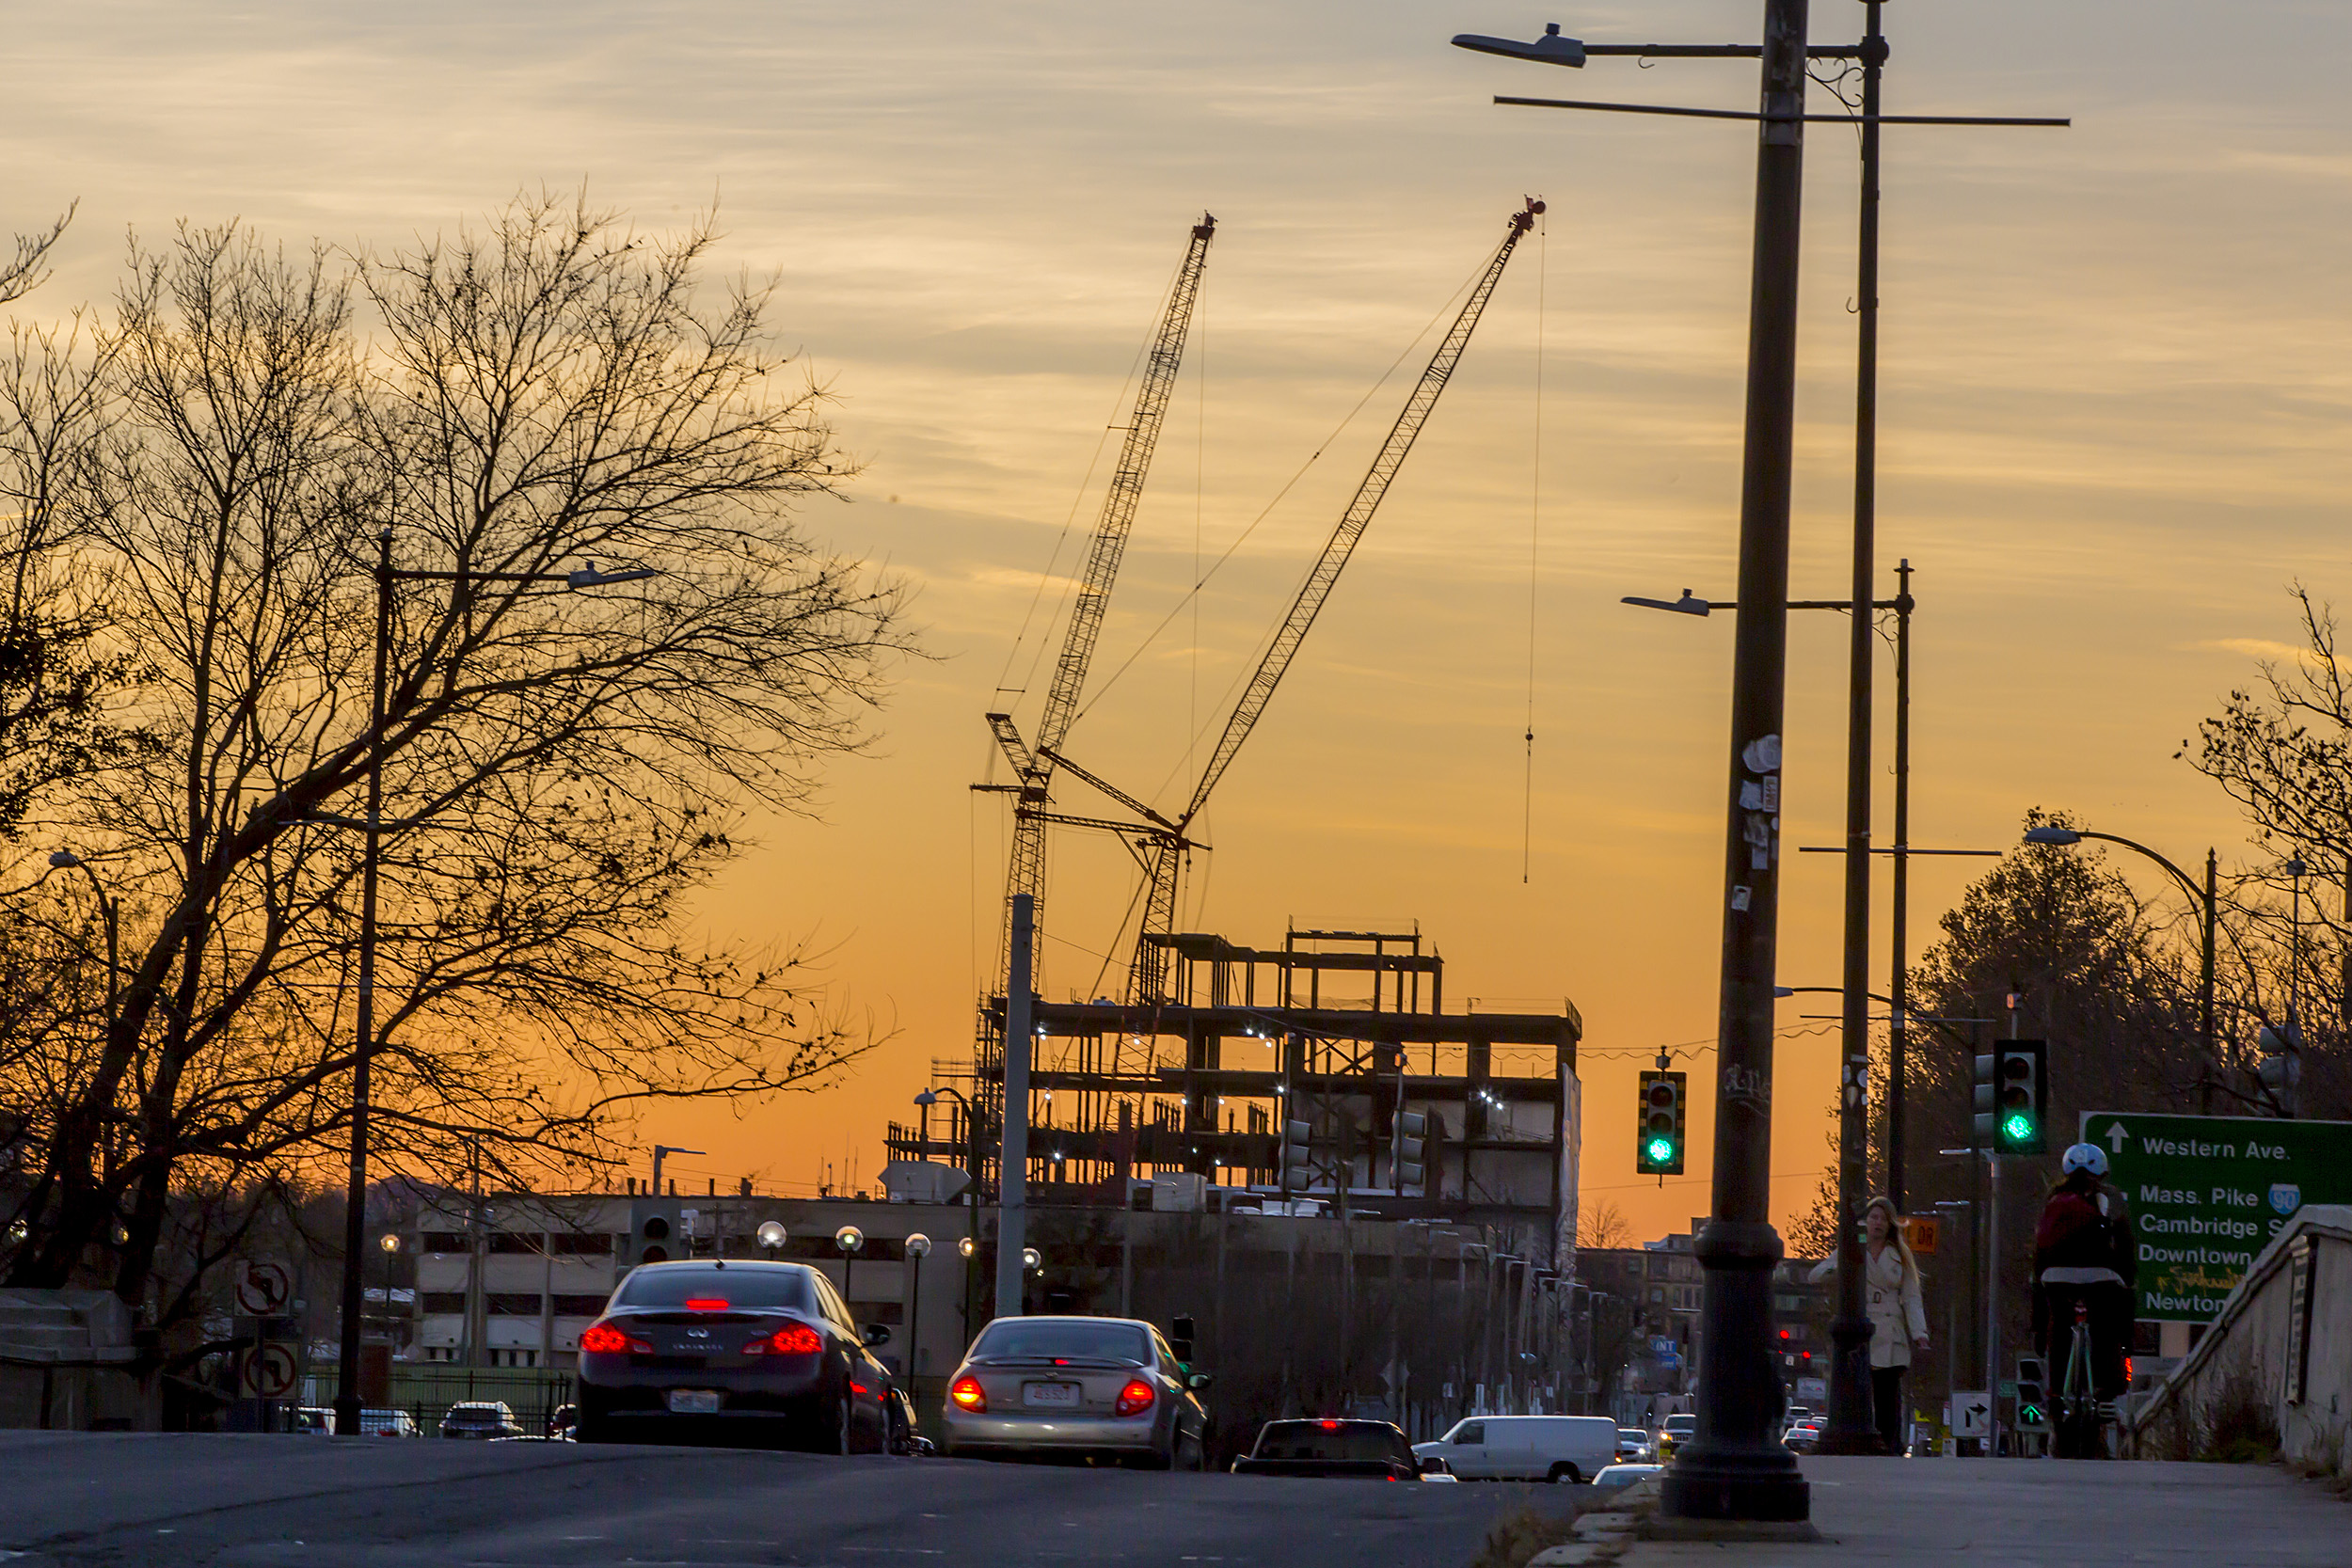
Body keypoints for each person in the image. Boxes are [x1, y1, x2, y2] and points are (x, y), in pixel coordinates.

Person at [2034, 1143, 2137, 1458]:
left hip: (2056, 1277)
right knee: (2107, 1329)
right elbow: (2126, 1248)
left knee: (2059, 1327)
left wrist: (2037, 1324)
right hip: (2101, 1278)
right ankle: (2106, 1394)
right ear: (2101, 1172)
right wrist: (2127, 1284)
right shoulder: (2114, 1200)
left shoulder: (2053, 1201)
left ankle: (2054, 1398)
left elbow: (2040, 1251)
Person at [1809, 1195, 1931, 1452]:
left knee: (1888, 1393)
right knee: (1862, 1391)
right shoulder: (1854, 1248)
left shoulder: (1899, 1255)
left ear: (1890, 1225)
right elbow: (1816, 1274)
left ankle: (1890, 1444)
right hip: (1862, 1328)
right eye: (1873, 1217)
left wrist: (1919, 1332)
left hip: (1891, 1328)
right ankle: (1865, 1441)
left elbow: (1911, 1298)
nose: (1877, 1223)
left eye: (1883, 1219)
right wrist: (1836, 1272)